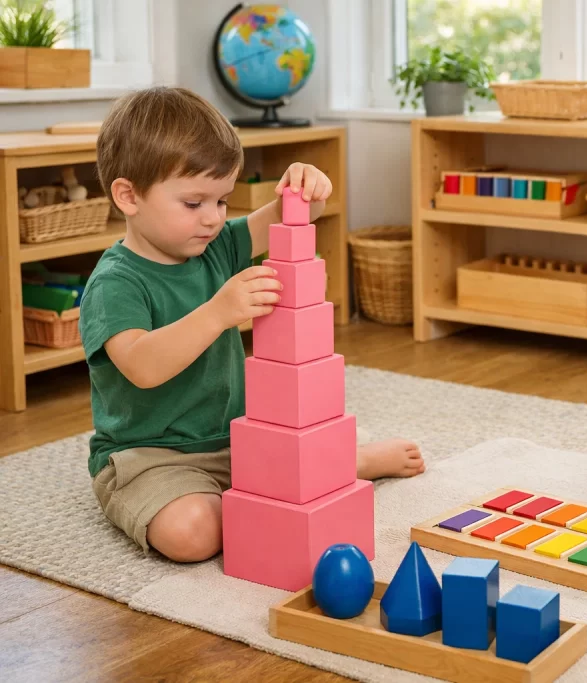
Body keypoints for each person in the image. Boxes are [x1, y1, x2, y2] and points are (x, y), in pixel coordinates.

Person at [82, 87, 424, 563]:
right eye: (194, 203)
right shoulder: (115, 283)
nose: (213, 218)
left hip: (240, 440)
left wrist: (304, 186)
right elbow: (143, 366)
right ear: (128, 196)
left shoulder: (215, 244)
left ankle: (340, 465)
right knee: (191, 534)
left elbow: (293, 214)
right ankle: (300, 483)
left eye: (222, 201)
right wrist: (217, 312)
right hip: (152, 457)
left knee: (293, 455)